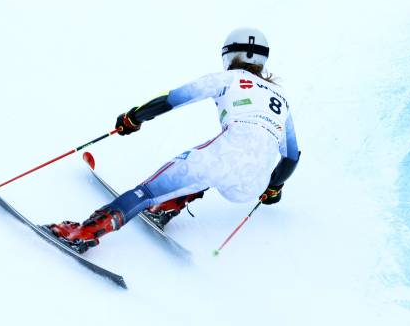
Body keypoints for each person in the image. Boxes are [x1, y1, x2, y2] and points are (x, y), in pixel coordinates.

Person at [48, 27, 301, 252]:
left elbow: (173, 98)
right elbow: (291, 156)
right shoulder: (281, 99)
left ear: (229, 54)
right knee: (210, 173)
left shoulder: (229, 78)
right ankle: (166, 206)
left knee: (148, 191)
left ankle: (83, 233)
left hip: (222, 156)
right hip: (253, 184)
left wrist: (133, 118)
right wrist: (273, 188)